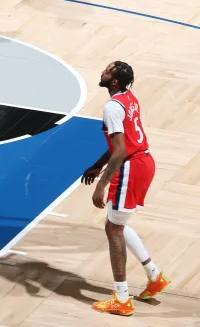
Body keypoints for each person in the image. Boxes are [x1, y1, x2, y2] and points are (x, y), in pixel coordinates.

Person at [81, 61, 169, 316]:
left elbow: (120, 151)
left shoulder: (111, 107)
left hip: (131, 167)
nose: (102, 72)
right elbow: (124, 141)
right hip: (144, 161)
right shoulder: (129, 98)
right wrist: (98, 165)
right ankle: (155, 277)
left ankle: (122, 299)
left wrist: (102, 184)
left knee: (113, 230)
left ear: (114, 81)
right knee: (116, 224)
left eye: (107, 70)